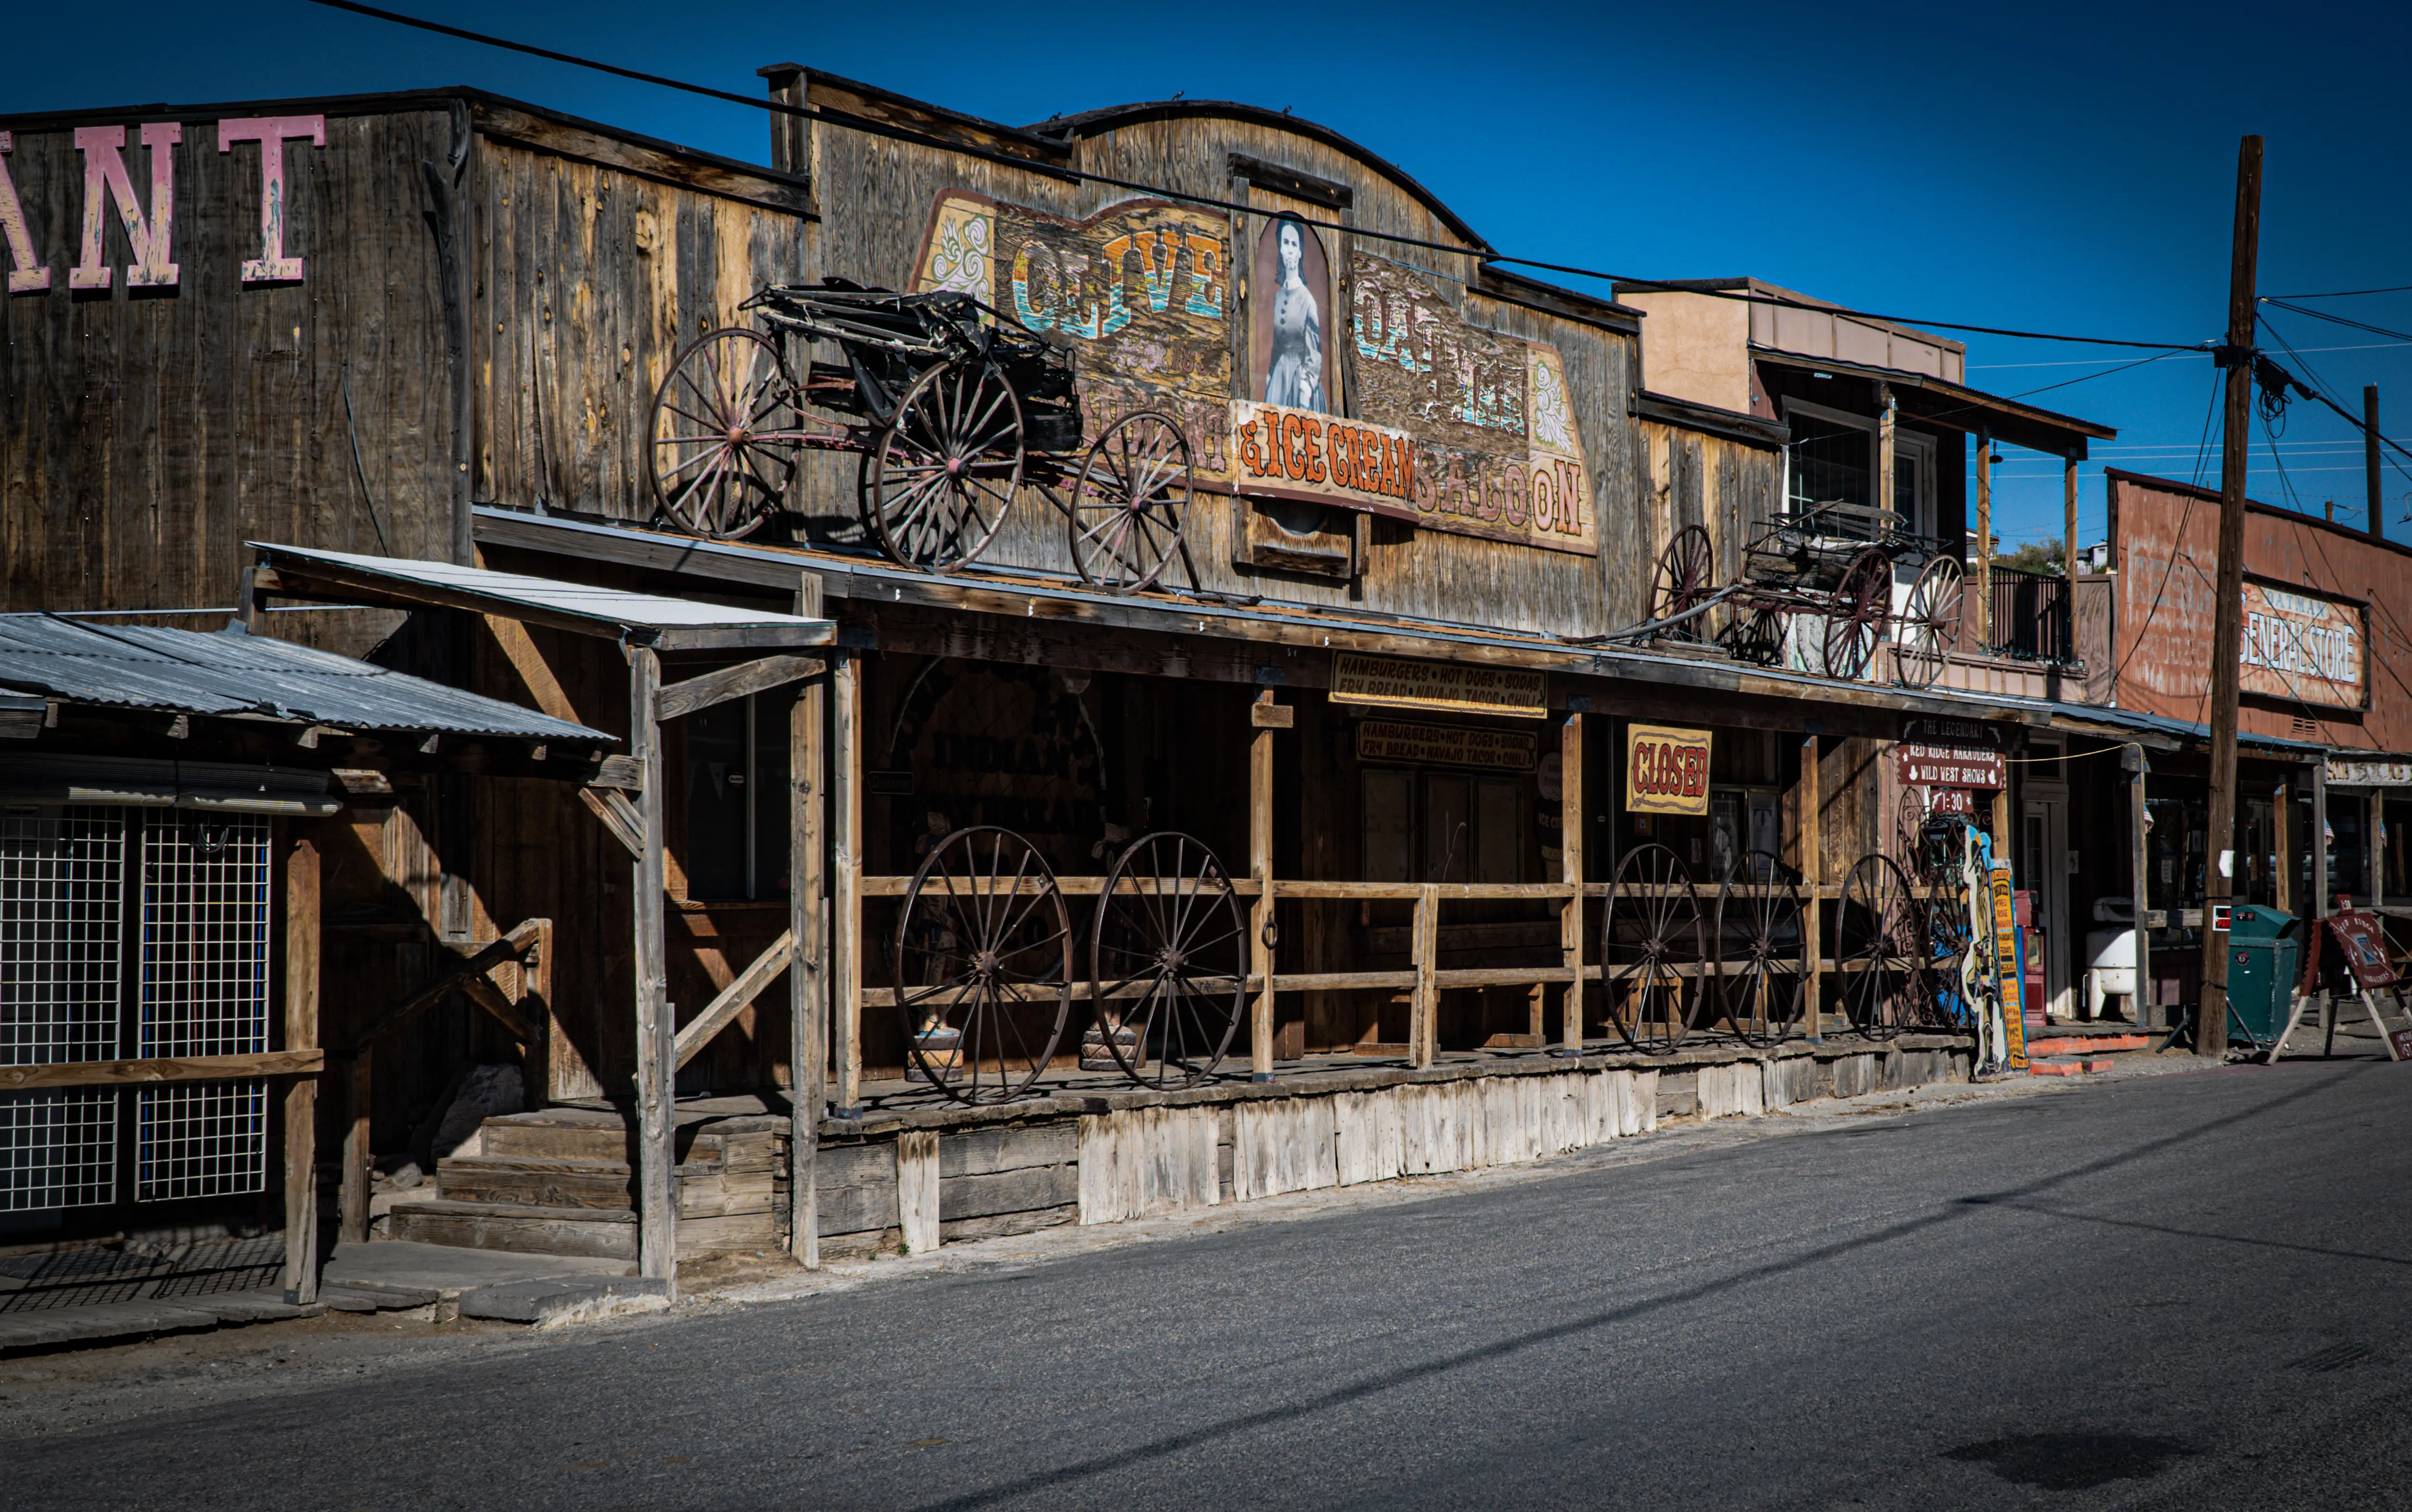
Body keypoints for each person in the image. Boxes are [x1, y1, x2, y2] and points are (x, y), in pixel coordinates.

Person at [1262, 218, 1325, 411]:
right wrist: (1272, 375)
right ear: (1281, 249)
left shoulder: (1307, 300)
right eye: (1286, 243)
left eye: (1294, 244)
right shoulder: (1278, 297)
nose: (1290, 249)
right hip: (1280, 380)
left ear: (1300, 253)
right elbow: (1277, 345)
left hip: (1300, 380)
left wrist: (1306, 387)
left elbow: (1314, 353)